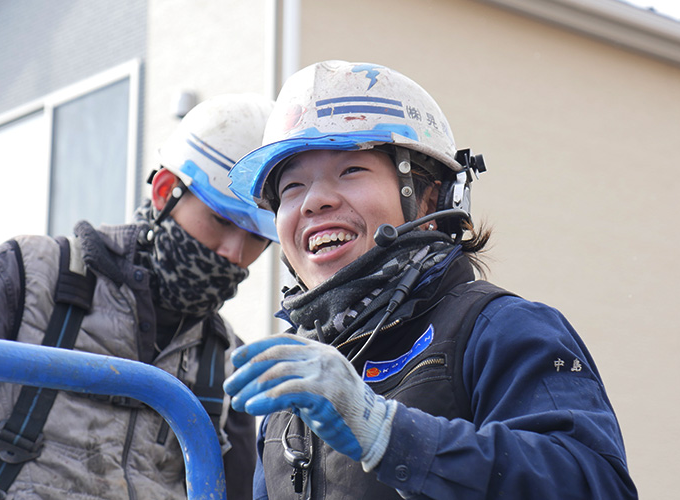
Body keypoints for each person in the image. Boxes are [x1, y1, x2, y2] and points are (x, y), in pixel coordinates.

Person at [222, 61, 639, 499]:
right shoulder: (292, 388)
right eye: (291, 187)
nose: (314, 201)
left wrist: (390, 435)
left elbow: (594, 484)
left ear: (429, 198)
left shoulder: (503, 331)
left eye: (351, 170)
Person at [0, 93, 276, 499]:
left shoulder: (227, 363)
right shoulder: (25, 277)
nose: (234, 253)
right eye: (222, 220)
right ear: (164, 191)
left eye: (257, 238)